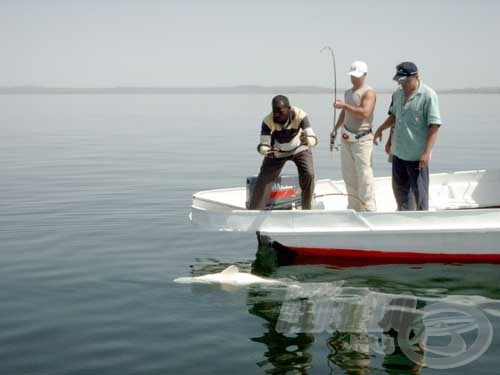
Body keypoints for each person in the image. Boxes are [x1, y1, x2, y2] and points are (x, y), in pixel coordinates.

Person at [373, 62, 442, 210]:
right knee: (400, 193)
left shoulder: (428, 95)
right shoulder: (397, 94)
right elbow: (394, 117)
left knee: (420, 195)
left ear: (416, 76)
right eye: (399, 80)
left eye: (404, 80)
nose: (401, 83)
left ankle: (423, 222)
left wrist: (426, 153)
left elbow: (434, 126)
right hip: (398, 153)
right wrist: (382, 130)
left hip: (417, 157)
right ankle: (404, 218)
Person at [248, 95, 317, 210]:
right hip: (277, 151)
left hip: (300, 149)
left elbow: (313, 139)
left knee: (309, 174)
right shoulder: (268, 120)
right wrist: (265, 150)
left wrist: (308, 140)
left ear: (289, 109)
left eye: (280, 111)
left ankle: (307, 209)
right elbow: (263, 144)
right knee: (264, 179)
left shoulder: (300, 115)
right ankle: (254, 212)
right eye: (274, 111)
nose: (276, 115)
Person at [330, 61, 377, 212]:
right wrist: (336, 128)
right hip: (346, 137)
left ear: (365, 75)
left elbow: (364, 113)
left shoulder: (369, 92)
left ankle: (369, 208)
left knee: (364, 176)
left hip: (363, 139)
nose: (354, 78)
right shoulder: (348, 93)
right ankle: (353, 207)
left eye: (357, 76)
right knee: (348, 175)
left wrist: (344, 105)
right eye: (352, 75)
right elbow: (345, 113)